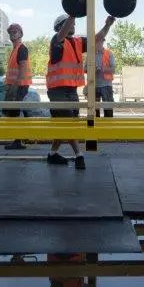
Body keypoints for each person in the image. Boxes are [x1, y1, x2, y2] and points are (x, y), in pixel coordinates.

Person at [46, 12, 115, 170]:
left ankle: (52, 154)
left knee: (65, 123)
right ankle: (79, 155)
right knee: (68, 122)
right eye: (69, 23)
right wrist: (72, 13)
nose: (73, 25)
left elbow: (97, 38)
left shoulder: (77, 42)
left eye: (74, 23)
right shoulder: (57, 40)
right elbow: (63, 32)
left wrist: (108, 25)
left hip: (71, 89)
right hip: (57, 91)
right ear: (60, 27)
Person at [3, 22, 32, 151]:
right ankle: (22, 137)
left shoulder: (21, 49)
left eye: (15, 32)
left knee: (14, 112)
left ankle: (18, 140)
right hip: (15, 86)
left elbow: (22, 69)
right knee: (14, 112)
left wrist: (14, 87)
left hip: (19, 86)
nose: (12, 34)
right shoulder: (15, 50)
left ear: (20, 34)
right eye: (10, 32)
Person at [94, 41, 115, 117]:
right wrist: (94, 69)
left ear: (102, 42)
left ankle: (108, 126)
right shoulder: (91, 55)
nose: (97, 44)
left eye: (99, 42)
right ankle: (95, 128)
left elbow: (113, 69)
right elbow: (85, 69)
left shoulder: (109, 53)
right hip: (94, 85)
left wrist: (102, 69)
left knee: (108, 108)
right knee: (94, 110)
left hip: (106, 85)